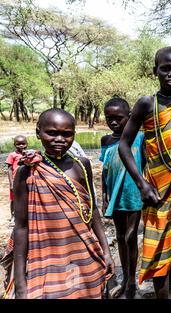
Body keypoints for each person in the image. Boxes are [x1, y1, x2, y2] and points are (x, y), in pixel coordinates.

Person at [119, 47, 171, 299]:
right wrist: (142, 184)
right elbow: (123, 145)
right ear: (155, 71)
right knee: (158, 249)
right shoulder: (147, 103)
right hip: (157, 191)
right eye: (166, 68)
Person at [6, 108, 114, 299]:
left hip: (84, 252)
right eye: (52, 133)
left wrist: (106, 251)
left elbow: (92, 210)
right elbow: (21, 227)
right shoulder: (27, 171)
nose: (59, 139)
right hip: (48, 257)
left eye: (67, 134)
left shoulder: (81, 165)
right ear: (38, 132)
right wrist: (21, 282)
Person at [100, 97, 145, 299]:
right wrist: (103, 197)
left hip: (134, 194)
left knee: (130, 236)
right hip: (115, 195)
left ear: (129, 117)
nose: (114, 122)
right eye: (109, 118)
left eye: (119, 118)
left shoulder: (139, 138)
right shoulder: (106, 141)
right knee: (119, 236)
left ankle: (132, 282)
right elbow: (105, 170)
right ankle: (125, 277)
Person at [6, 135, 28, 223]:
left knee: (26, 198)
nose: (21, 146)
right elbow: (9, 169)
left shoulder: (28, 154)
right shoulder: (12, 155)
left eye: (23, 144)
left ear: (27, 144)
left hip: (26, 180)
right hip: (15, 180)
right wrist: (11, 183)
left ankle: (25, 216)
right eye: (18, 144)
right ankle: (13, 216)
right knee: (14, 199)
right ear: (14, 145)